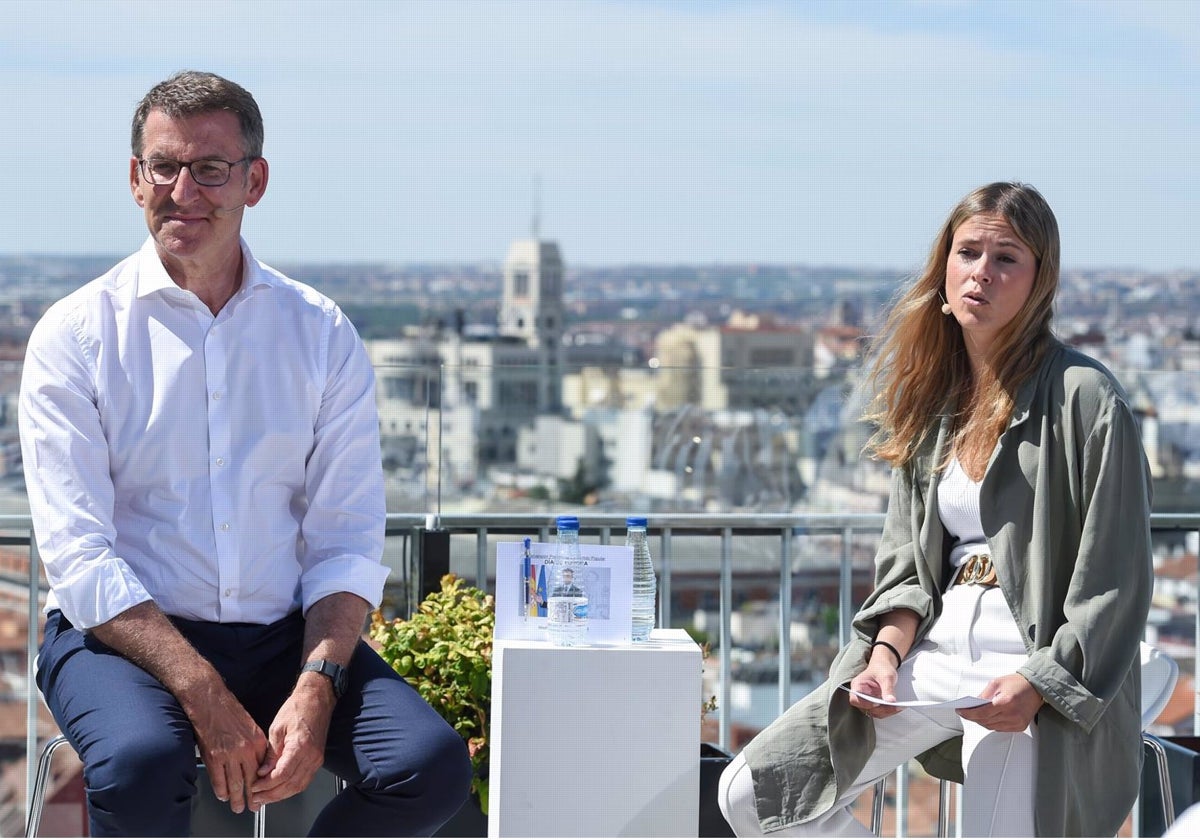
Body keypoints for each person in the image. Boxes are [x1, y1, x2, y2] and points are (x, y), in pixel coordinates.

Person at [18, 70, 472, 837]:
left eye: (210, 169)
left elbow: (344, 538)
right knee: (140, 762)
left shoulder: (320, 333)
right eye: (164, 166)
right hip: (117, 639)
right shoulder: (76, 336)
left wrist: (318, 682)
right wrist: (201, 689)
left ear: (254, 181)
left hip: (277, 635)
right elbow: (79, 558)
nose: (182, 189)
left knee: (427, 766)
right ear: (135, 179)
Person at [717, 182, 1153, 837]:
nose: (982, 271)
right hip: (937, 651)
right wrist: (885, 657)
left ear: (1040, 281)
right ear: (944, 268)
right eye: (969, 251)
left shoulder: (1086, 398)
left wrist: (1040, 683)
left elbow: (1114, 577)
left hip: (1030, 661)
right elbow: (905, 564)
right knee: (752, 793)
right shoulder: (936, 403)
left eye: (1007, 258)